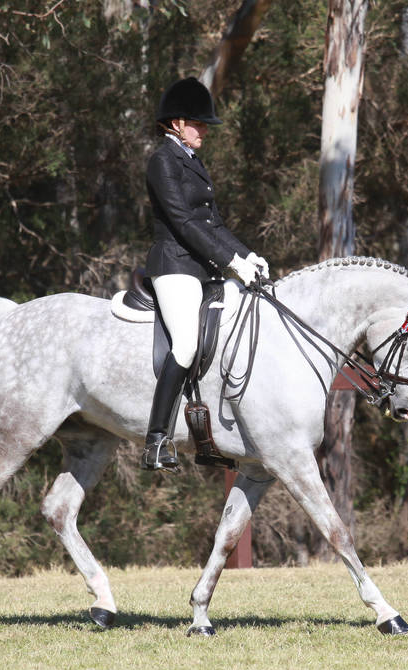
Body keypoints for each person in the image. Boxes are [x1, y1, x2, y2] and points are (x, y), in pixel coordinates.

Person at [141, 76, 269, 471]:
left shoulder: (193, 162)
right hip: (175, 263)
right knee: (185, 344)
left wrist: (248, 255)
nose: (205, 132)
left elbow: (213, 224)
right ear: (177, 123)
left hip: (201, 266)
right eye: (198, 124)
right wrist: (231, 262)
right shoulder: (163, 161)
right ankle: (156, 440)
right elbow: (183, 222)